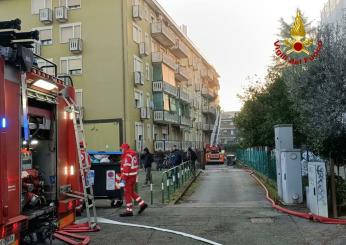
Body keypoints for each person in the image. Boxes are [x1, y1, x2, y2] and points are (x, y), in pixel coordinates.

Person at [119, 143, 148, 217]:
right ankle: (142, 204)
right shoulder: (132, 154)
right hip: (133, 176)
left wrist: (123, 180)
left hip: (128, 178)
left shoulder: (127, 156)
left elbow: (126, 169)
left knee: (127, 193)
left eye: (122, 149)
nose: (121, 150)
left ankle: (129, 210)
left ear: (124, 148)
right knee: (131, 192)